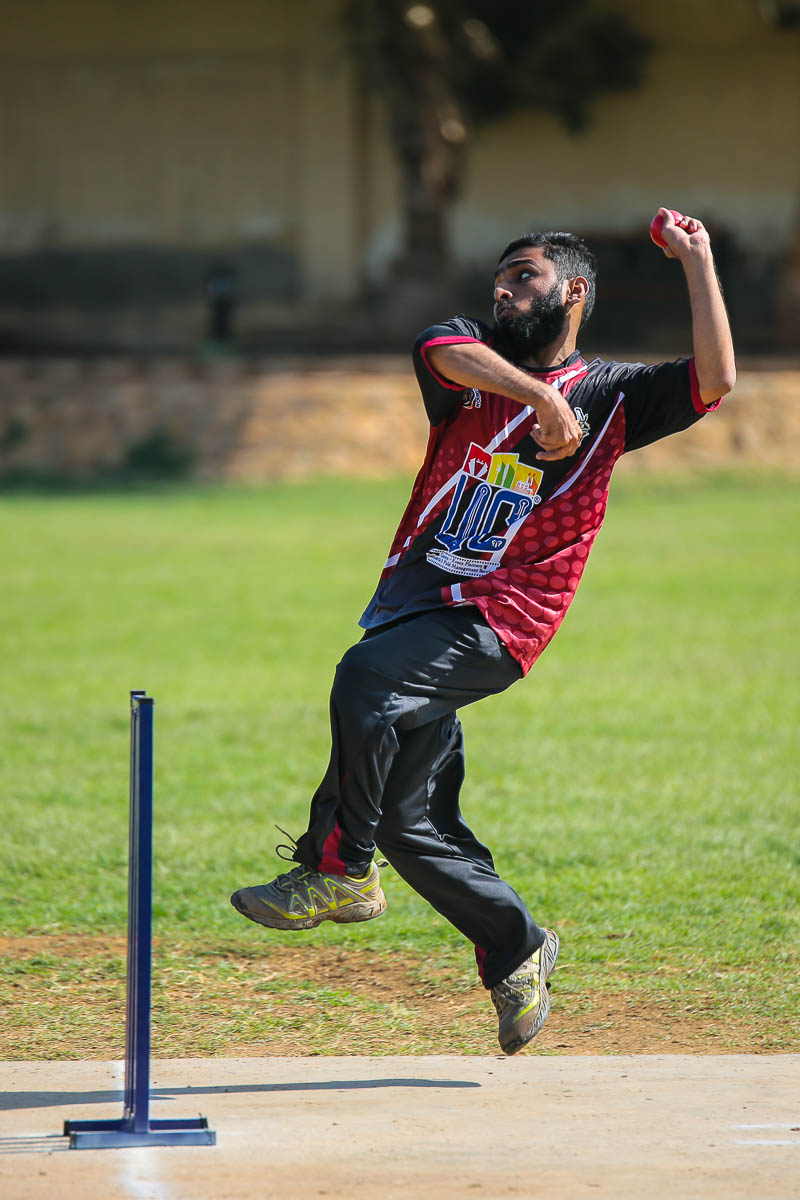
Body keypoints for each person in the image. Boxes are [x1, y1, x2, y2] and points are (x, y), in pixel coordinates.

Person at [230, 209, 736, 1055]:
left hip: (503, 618)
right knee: (409, 825)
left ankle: (338, 870)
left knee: (365, 681)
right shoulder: (471, 360)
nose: (505, 292)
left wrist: (698, 261)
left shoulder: (613, 397)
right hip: (417, 606)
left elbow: (714, 380)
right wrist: (539, 397)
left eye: (525, 277)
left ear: (574, 292)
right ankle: (516, 947)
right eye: (500, 279)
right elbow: (436, 348)